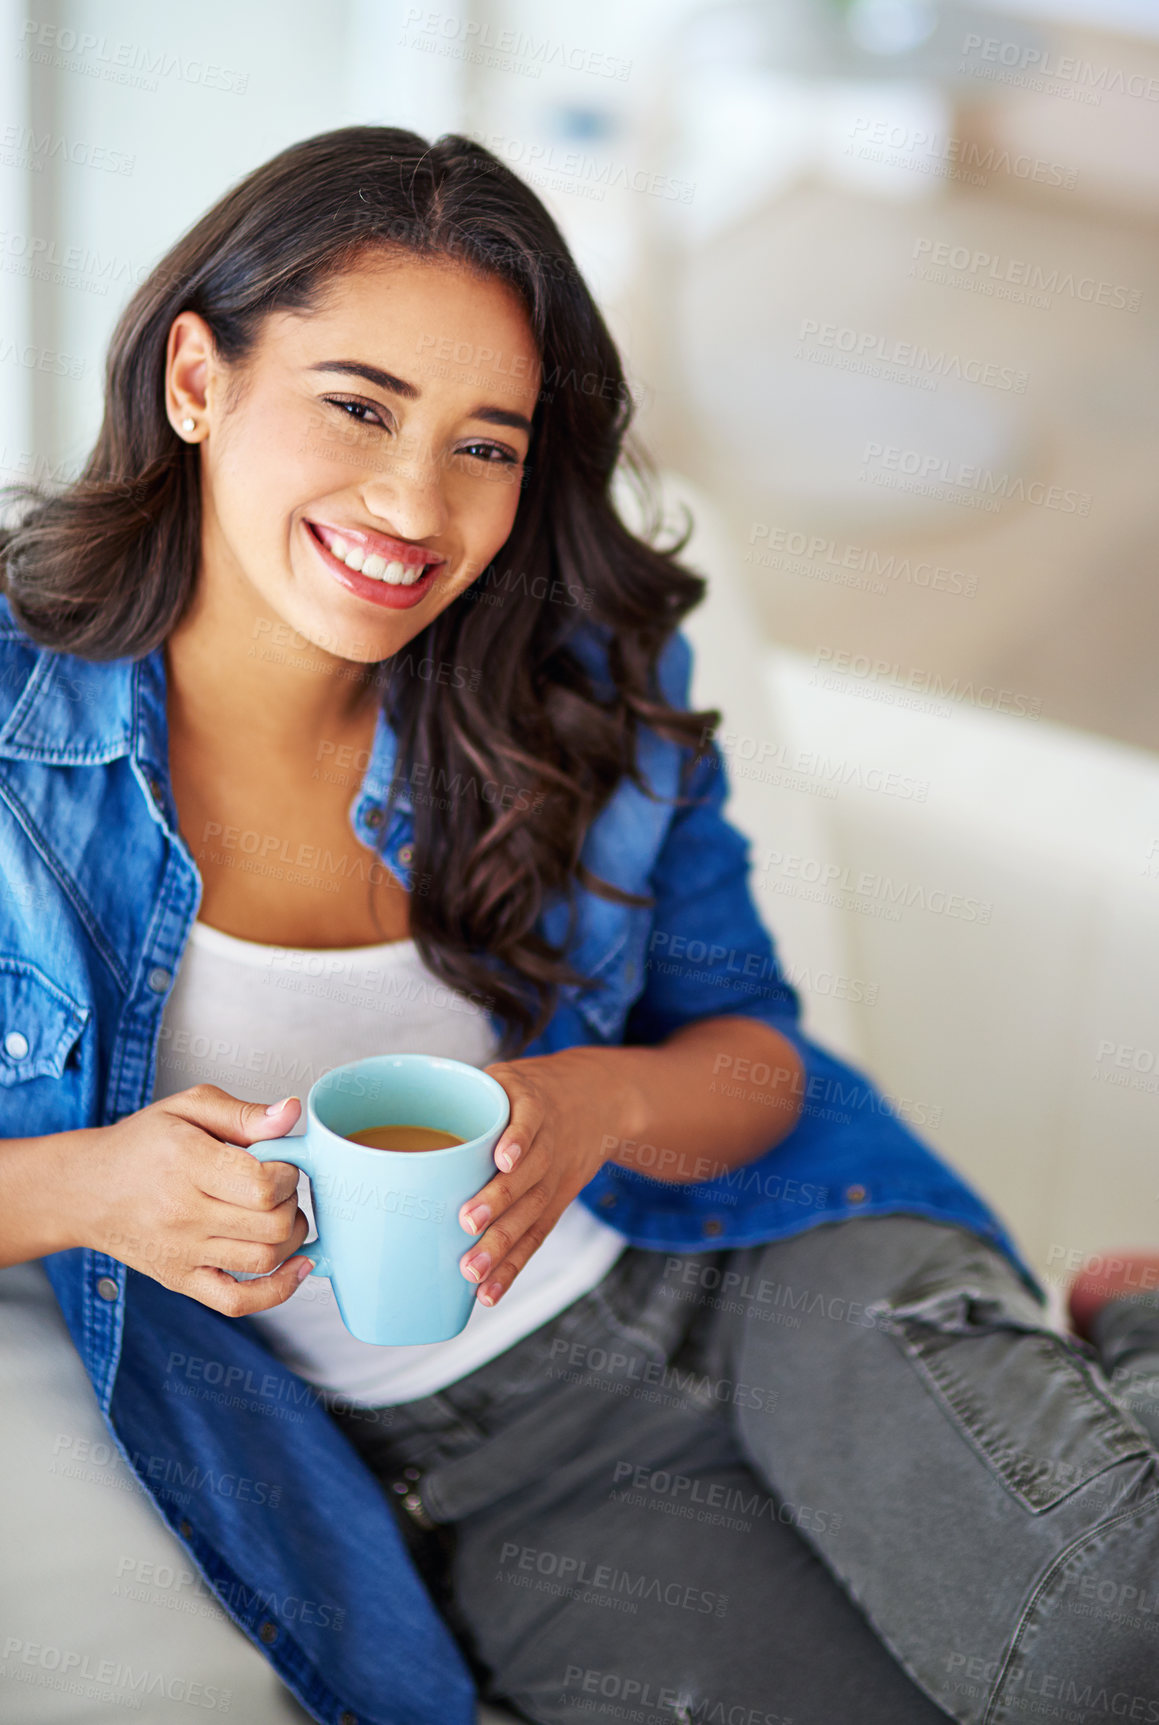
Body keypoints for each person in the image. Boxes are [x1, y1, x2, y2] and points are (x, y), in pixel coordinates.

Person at [1, 125, 1157, 1725]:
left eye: (489, 443)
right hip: (490, 1472)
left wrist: (593, 1102)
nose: (416, 505)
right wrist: (88, 1187)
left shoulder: (576, 677)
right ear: (197, 379)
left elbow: (757, 1056)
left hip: (759, 1262)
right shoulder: (16, 741)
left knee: (1116, 1645)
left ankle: (1139, 1325)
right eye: (359, 405)